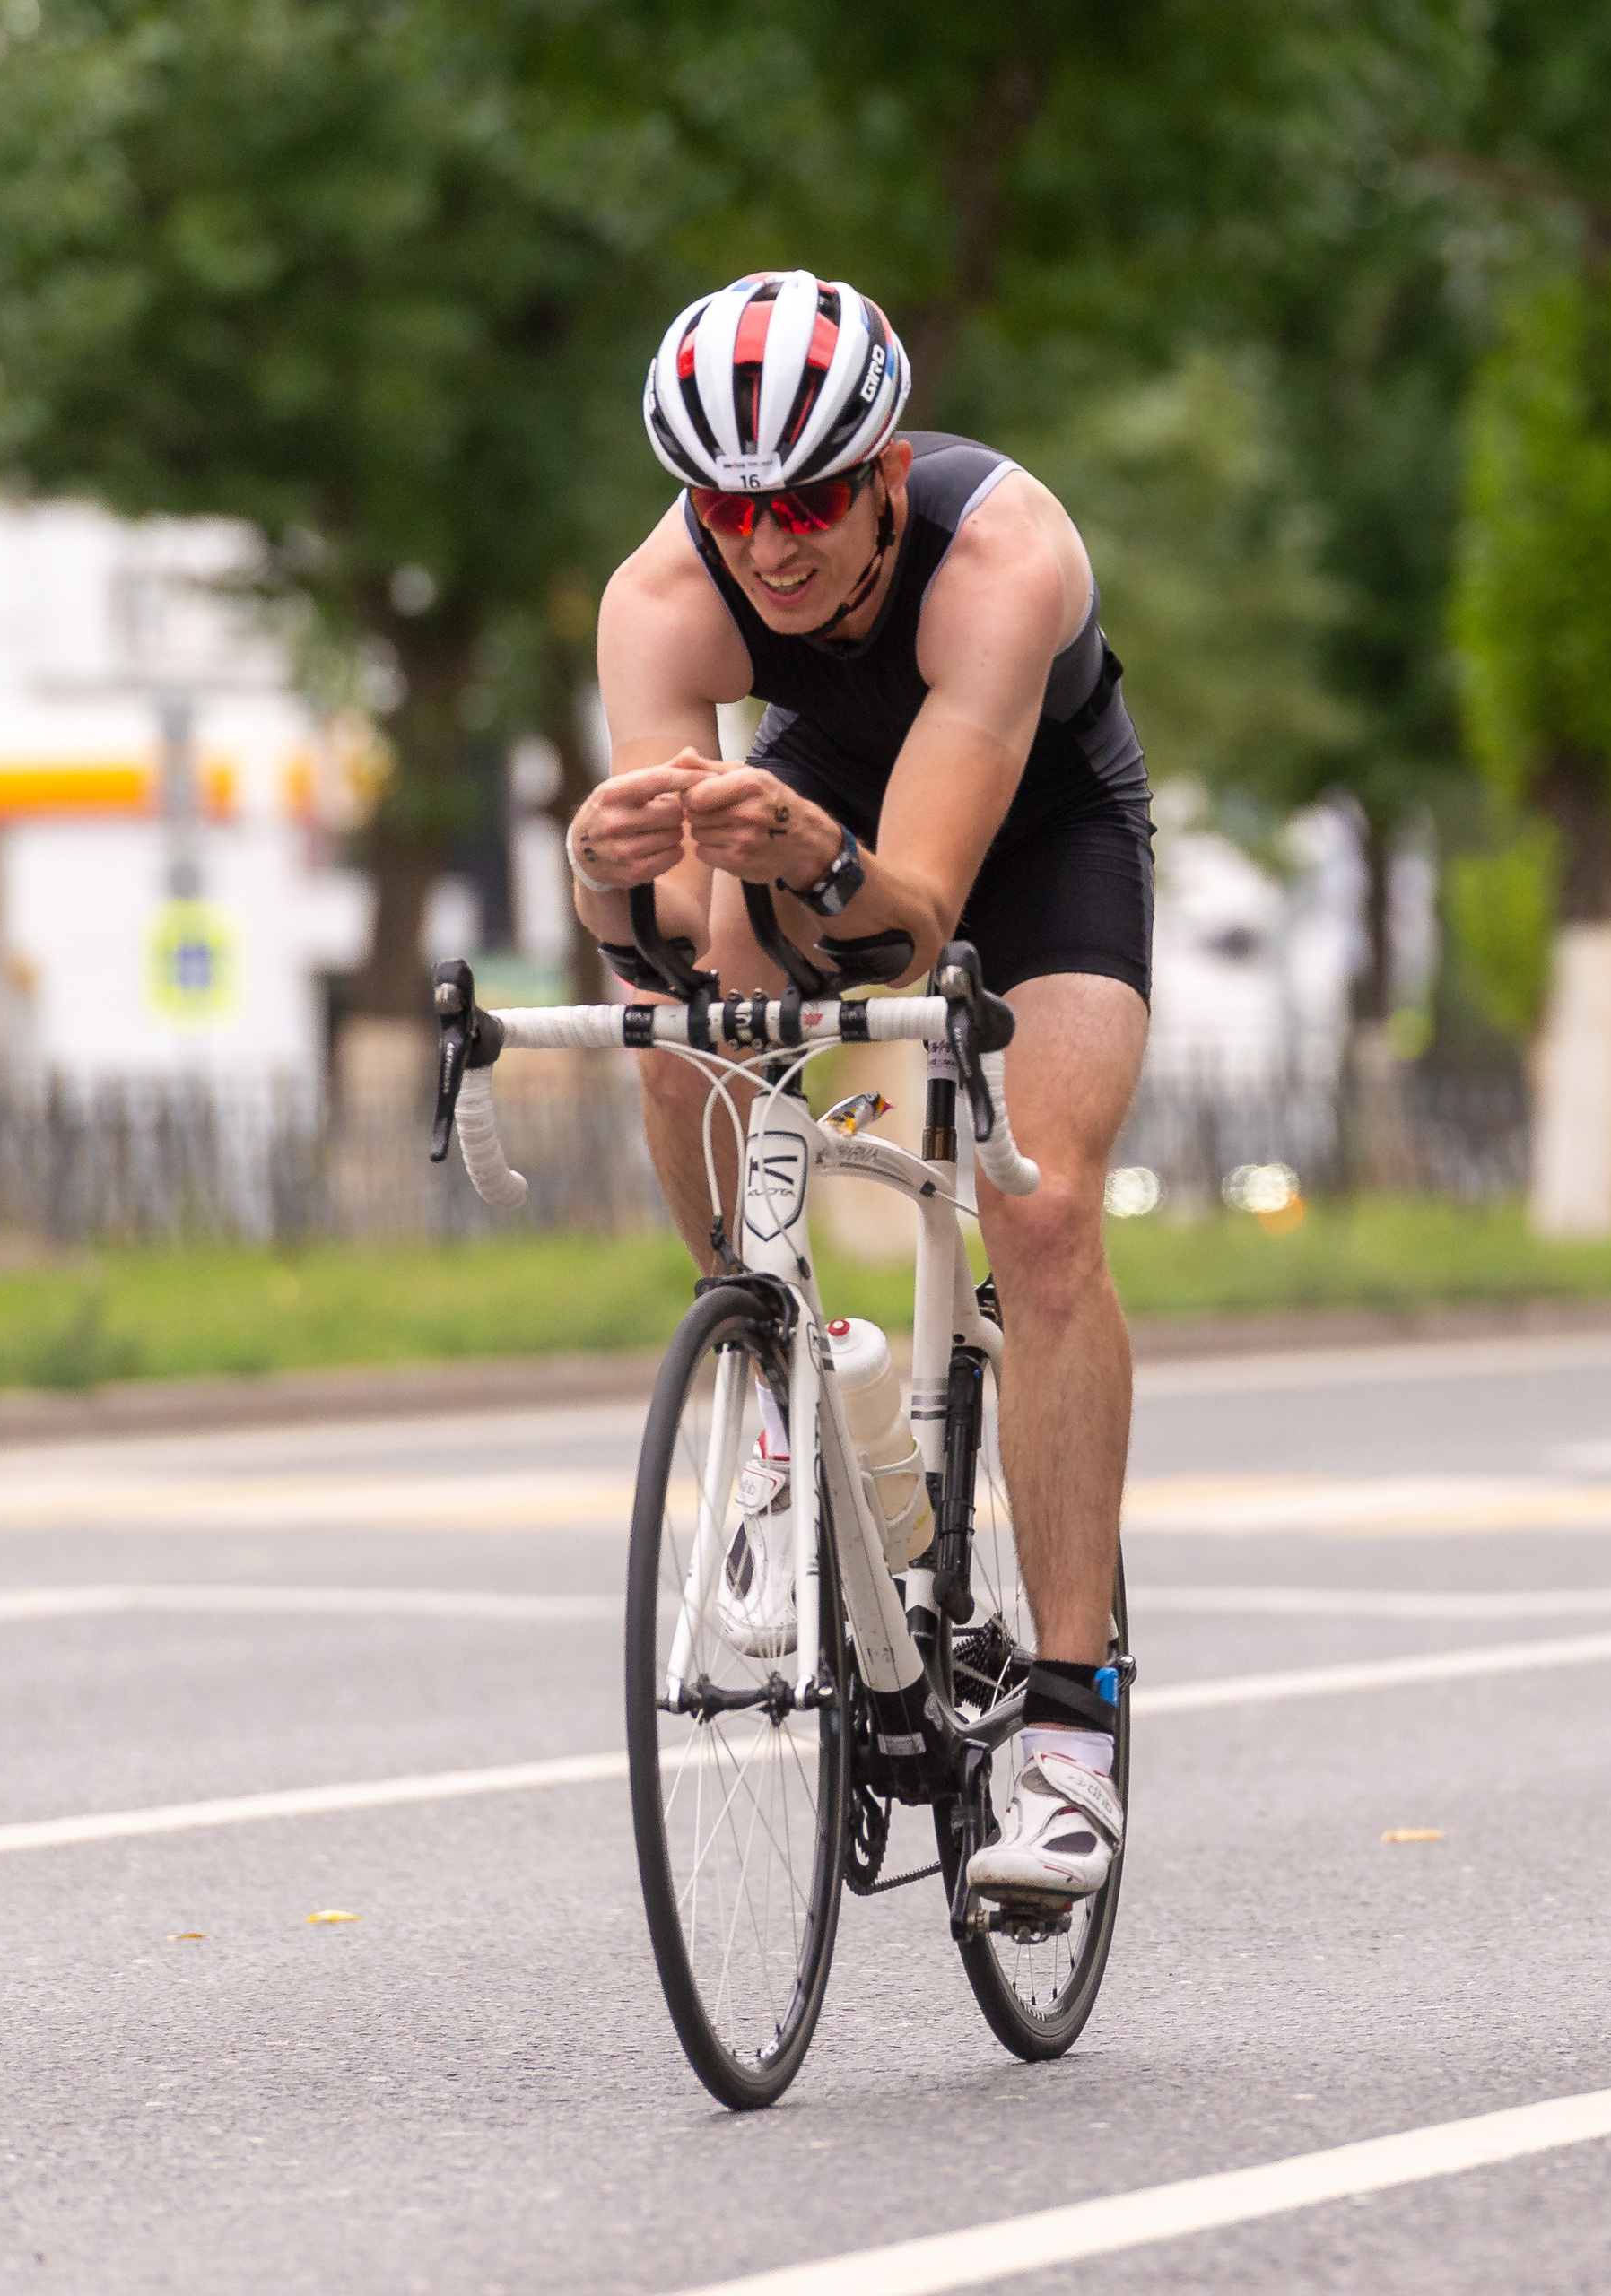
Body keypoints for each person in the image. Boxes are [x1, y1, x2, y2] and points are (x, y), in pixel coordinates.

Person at [566, 272, 1153, 1911]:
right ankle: (764, 1357)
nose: (773, 544)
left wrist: (811, 855)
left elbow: (914, 920)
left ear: (886, 471)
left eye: (813, 498)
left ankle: (1069, 1739)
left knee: (1042, 1228)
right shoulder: (662, 597)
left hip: (1032, 832)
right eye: (732, 506)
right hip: (820, 801)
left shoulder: (1001, 556)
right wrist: (607, 883)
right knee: (680, 1016)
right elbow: (690, 943)